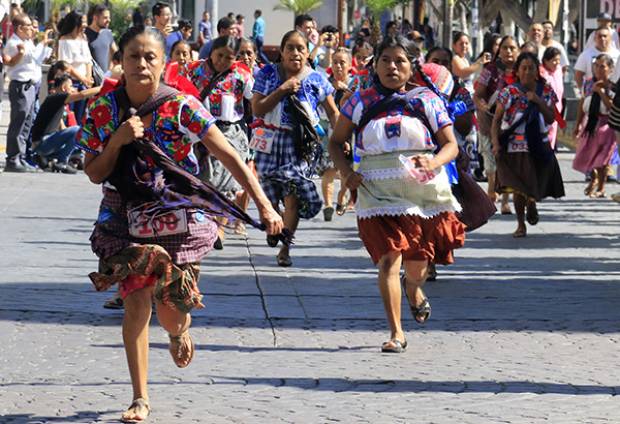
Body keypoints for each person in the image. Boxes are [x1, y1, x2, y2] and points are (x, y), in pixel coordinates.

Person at [76, 25, 283, 423]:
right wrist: (117, 141)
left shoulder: (182, 105)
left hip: (176, 214)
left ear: (164, 63)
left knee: (170, 307)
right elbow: (94, 173)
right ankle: (140, 398)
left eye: (150, 56)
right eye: (133, 56)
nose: (141, 64)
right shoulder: (103, 111)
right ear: (120, 61)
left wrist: (264, 205)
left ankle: (177, 332)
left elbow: (228, 157)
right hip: (124, 217)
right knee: (135, 301)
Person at [329, 35, 465, 353]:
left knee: (417, 266)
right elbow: (336, 142)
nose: (392, 66)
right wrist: (346, 173)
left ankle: (413, 289)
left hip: (423, 194)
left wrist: (434, 160)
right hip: (377, 194)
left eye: (400, 61)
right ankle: (396, 332)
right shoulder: (359, 101)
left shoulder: (426, 100)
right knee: (390, 258)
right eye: (386, 60)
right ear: (374, 65)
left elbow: (451, 144)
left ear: (411, 66)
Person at [251, 30, 339, 267]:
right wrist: (282, 90)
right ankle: (274, 222)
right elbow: (257, 110)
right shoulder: (267, 74)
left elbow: (332, 112)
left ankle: (285, 247)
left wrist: (342, 137)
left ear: (308, 52)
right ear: (281, 51)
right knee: (268, 196)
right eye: (290, 47)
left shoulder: (317, 79)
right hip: (269, 141)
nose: (296, 53)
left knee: (293, 195)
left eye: (301, 48)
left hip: (301, 145)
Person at [177, 35, 254, 248]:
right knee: (203, 180)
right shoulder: (195, 70)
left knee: (227, 182)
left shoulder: (242, 75)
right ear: (211, 51)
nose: (222, 61)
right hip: (199, 130)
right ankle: (205, 224)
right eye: (219, 55)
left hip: (230, 132)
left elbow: (252, 102)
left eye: (229, 57)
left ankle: (219, 229)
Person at [491, 52, 565, 238]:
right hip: (513, 146)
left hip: (537, 144)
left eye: (530, 68)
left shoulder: (546, 91)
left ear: (536, 71)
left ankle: (532, 201)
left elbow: (551, 118)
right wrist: (495, 143)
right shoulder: (508, 92)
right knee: (517, 187)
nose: (526, 72)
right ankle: (520, 224)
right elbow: (496, 120)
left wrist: (538, 101)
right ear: (517, 71)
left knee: (534, 181)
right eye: (523, 68)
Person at [474, 35, 519, 215]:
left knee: (508, 162)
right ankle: (491, 191)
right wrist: (484, 106)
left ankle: (506, 201)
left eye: (512, 48)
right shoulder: (490, 70)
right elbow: (477, 95)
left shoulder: (522, 70)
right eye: (505, 48)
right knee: (491, 163)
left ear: (518, 50)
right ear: (498, 51)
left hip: (513, 124)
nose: (508, 51)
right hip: (488, 122)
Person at [3, 13, 52, 172]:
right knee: (19, 120)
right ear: (19, 28)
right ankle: (12, 158)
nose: (32, 29)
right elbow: (12, 61)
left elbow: (36, 59)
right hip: (20, 85)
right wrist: (24, 51)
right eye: (28, 27)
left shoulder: (27, 42)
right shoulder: (14, 43)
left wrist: (44, 45)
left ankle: (21, 156)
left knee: (27, 122)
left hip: (30, 85)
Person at [31, 74, 100, 173]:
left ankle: (45, 158)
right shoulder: (56, 97)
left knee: (78, 145)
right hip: (42, 143)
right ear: (64, 88)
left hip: (44, 145)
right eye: (71, 86)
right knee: (77, 129)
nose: (73, 89)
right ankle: (62, 162)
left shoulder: (57, 103)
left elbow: (62, 128)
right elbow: (82, 95)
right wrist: (102, 87)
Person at [573, 54, 617, 198]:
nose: (598, 69)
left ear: (610, 69)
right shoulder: (588, 83)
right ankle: (593, 178)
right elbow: (582, 103)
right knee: (587, 153)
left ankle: (601, 187)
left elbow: (613, 106)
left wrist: (601, 93)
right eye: (596, 66)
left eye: (602, 66)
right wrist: (578, 124)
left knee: (603, 158)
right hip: (591, 123)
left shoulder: (612, 85)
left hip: (607, 125)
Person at [318, 47, 353, 220]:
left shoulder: (355, 83)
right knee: (329, 170)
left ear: (350, 65)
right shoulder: (325, 82)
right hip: (328, 131)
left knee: (348, 171)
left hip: (350, 132)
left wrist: (346, 89)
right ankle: (328, 204)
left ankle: (341, 196)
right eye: (335, 62)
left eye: (342, 62)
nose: (338, 66)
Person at [57, 10, 93, 124]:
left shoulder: (83, 38)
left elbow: (88, 60)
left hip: (85, 84)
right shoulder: (64, 40)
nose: (85, 25)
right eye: (83, 22)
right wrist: (83, 78)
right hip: (72, 84)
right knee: (70, 117)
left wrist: (88, 78)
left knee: (82, 117)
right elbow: (66, 66)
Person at [575, 26, 620, 91]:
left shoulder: (618, 54)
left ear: (610, 38)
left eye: (605, 36)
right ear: (594, 38)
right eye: (599, 36)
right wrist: (583, 91)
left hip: (613, 93)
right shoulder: (585, 55)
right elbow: (578, 75)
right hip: (592, 92)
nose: (602, 38)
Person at [539, 47, 563, 150]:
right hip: (544, 111)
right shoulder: (541, 72)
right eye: (554, 60)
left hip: (556, 111)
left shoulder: (559, 70)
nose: (557, 63)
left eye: (558, 60)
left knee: (552, 137)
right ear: (545, 61)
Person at [85, 4, 118, 74]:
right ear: (95, 18)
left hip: (104, 78)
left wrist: (110, 70)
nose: (109, 20)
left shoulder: (108, 33)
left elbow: (115, 53)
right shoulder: (84, 34)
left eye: (109, 17)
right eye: (105, 18)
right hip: (89, 79)